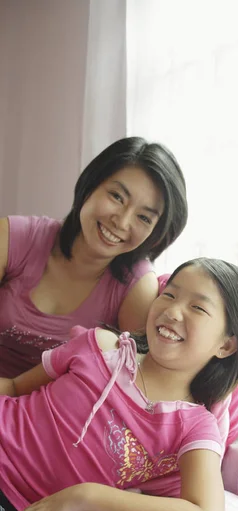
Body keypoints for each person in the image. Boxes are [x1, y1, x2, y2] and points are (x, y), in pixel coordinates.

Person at [0, 258, 238, 511]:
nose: (172, 311)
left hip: (12, 498)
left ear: (226, 345)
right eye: (169, 295)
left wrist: (86, 496)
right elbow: (14, 387)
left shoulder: (195, 427)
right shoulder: (99, 345)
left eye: (197, 307)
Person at [0, 136, 187, 379]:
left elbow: (133, 384)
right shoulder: (15, 237)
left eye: (143, 218)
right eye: (117, 197)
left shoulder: (137, 287)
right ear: (91, 185)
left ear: (156, 234)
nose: (121, 221)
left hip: (54, 412)